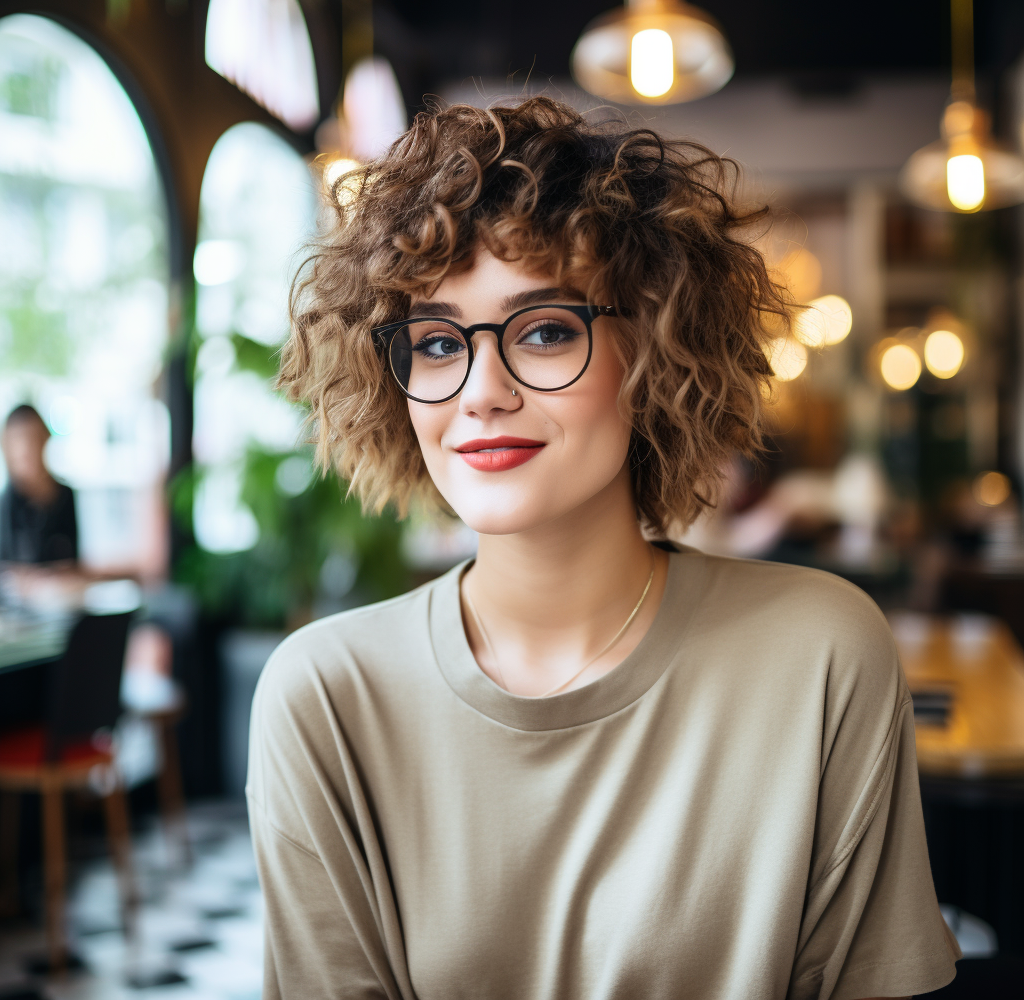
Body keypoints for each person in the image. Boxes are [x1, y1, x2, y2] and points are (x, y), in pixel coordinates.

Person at [246, 98, 959, 1000]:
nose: (481, 390)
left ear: (656, 351)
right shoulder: (325, 698)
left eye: (545, 330)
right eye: (433, 341)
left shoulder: (821, 654)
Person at [0, 405, 78, 567]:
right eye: (19, 440)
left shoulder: (65, 495)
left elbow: (74, 562)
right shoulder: (6, 504)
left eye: (32, 439)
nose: (26, 449)